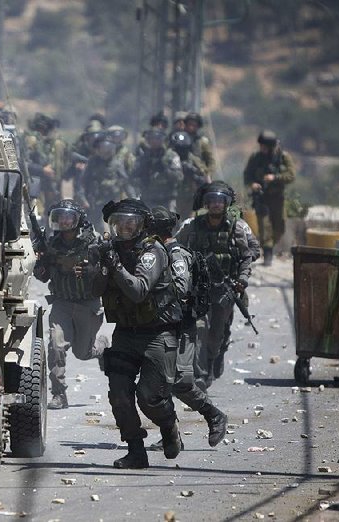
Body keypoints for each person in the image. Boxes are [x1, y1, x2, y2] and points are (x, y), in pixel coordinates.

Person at [95, 198, 183, 469]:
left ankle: (169, 426)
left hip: (157, 333)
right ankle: (136, 451)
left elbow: (138, 291)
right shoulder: (112, 250)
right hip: (125, 332)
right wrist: (94, 265)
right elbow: (94, 290)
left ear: (142, 225)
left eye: (130, 222)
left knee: (150, 399)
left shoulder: (151, 251)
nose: (124, 228)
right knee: (119, 394)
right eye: (118, 222)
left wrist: (115, 266)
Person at [147, 206, 228, 449]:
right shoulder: (157, 251)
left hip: (181, 325)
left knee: (180, 380)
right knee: (159, 382)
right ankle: (171, 434)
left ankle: (214, 416)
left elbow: (180, 288)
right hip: (161, 325)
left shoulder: (176, 254)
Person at [175, 181, 254, 388]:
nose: (216, 205)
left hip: (225, 290)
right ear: (206, 204)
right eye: (212, 201)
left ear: (226, 204)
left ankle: (213, 359)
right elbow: (175, 247)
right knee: (199, 329)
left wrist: (242, 279)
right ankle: (200, 374)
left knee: (217, 334)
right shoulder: (192, 225)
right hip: (200, 288)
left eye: (220, 201)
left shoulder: (236, 227)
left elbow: (247, 256)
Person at [33, 199, 108, 409]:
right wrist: (38, 264)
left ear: (78, 220)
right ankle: (59, 394)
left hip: (88, 305)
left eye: (69, 218)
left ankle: (102, 348)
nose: (64, 222)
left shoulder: (93, 243)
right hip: (62, 304)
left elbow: (107, 272)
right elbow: (44, 276)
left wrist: (91, 270)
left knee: (82, 353)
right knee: (56, 346)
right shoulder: (51, 244)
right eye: (60, 217)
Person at [242, 130, 296, 266]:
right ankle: (267, 254)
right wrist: (253, 184)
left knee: (280, 227)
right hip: (261, 197)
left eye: (265, 147)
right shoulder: (256, 157)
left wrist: (275, 178)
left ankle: (270, 247)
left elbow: (291, 176)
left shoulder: (283, 157)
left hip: (278, 198)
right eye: (261, 146)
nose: (262, 149)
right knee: (264, 227)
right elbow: (247, 175)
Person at [76, 134, 130, 230]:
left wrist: (133, 199)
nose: (107, 151)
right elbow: (81, 182)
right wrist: (83, 199)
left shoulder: (117, 163)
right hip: (95, 201)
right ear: (98, 149)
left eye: (109, 148)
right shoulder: (92, 162)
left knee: (115, 227)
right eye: (104, 148)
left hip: (113, 200)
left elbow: (126, 182)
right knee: (96, 227)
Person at [23, 113, 68, 222]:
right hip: (34, 186)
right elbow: (24, 164)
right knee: (37, 217)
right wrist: (42, 170)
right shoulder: (31, 140)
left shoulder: (50, 144)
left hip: (49, 186)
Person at [131, 129, 183, 212]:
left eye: (157, 139)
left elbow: (179, 177)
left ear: (162, 140)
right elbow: (132, 179)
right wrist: (142, 179)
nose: (154, 141)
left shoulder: (171, 156)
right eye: (151, 139)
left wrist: (165, 170)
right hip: (148, 199)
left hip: (167, 199)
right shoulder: (143, 158)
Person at [169, 130, 209, 219]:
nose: (180, 152)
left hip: (189, 197)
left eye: (183, 149)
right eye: (178, 149)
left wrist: (193, 172)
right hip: (172, 196)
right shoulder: (169, 158)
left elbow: (203, 174)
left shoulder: (193, 159)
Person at [183, 112, 216, 180]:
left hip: (198, 175)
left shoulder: (202, 141)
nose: (191, 127)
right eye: (189, 124)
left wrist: (208, 173)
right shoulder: (179, 138)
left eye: (194, 125)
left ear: (198, 127)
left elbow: (210, 161)